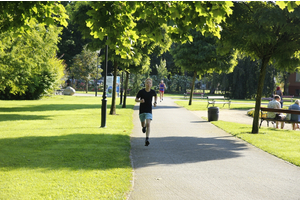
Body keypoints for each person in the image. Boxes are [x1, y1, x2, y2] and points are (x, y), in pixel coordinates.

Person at [135, 78, 157, 146]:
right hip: (142, 110)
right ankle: (143, 127)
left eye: (150, 83)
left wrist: (155, 102)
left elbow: (156, 95)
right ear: (145, 84)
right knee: (143, 124)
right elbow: (136, 99)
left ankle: (147, 139)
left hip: (149, 110)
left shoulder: (152, 91)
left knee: (148, 124)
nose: (148, 84)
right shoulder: (141, 91)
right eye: (147, 83)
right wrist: (140, 101)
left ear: (151, 84)